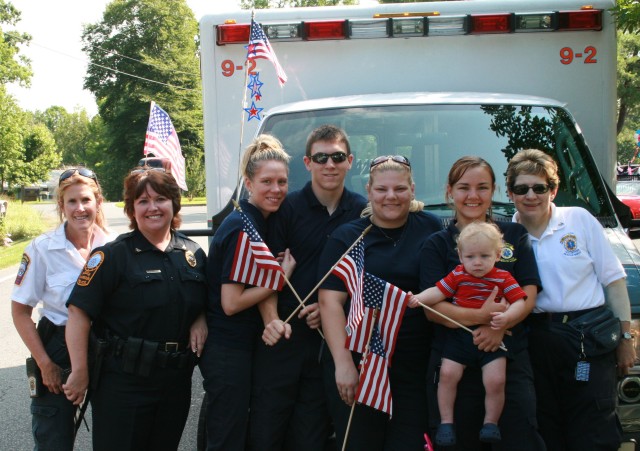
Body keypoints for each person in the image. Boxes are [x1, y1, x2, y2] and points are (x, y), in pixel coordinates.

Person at [63, 167, 207, 451]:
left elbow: (204, 299)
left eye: (161, 199)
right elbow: (78, 313)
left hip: (175, 383)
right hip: (125, 384)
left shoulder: (193, 254)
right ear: (131, 209)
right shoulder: (113, 256)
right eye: (143, 201)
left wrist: (200, 318)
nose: (153, 207)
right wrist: (80, 371)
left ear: (174, 203)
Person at [506, 148, 635, 450]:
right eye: (521, 188)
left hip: (587, 338)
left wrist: (626, 337)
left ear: (554, 189)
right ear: (510, 192)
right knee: (545, 427)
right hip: (534, 339)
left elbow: (614, 282)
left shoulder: (579, 220)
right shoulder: (505, 235)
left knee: (594, 430)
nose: (531, 195)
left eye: (540, 188)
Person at [248, 124, 367, 450]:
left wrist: (333, 309)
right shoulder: (286, 209)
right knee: (268, 429)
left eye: (337, 157)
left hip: (335, 340)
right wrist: (271, 318)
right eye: (321, 157)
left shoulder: (363, 211)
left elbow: (367, 275)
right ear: (307, 163)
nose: (330, 164)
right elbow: (266, 272)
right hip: (286, 335)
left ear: (350, 161)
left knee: (311, 435)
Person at [420, 156, 545, 450]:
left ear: (494, 191)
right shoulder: (437, 243)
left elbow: (528, 293)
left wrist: (500, 326)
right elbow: (431, 309)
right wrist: (481, 317)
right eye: (463, 187)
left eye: (482, 187)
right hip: (453, 363)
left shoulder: (513, 236)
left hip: (508, 361)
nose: (473, 196)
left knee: (518, 440)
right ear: (449, 191)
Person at [319, 155, 443, 450]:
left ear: (412, 190)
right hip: (362, 361)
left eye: (400, 189)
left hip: (415, 363)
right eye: (382, 189)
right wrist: (343, 364)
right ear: (369, 190)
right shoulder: (348, 237)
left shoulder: (430, 227)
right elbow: (330, 302)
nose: (391, 197)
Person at [199, 135, 294, 451]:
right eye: (266, 181)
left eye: (282, 181)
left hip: (243, 347)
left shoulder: (261, 220)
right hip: (227, 349)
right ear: (248, 183)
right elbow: (231, 302)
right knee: (227, 436)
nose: (276, 189)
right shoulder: (243, 227)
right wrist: (279, 278)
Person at [11, 167, 112, 450]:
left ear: (98, 202)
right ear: (61, 205)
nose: (80, 208)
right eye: (72, 202)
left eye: (86, 200)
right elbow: (20, 312)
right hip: (58, 346)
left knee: (116, 434)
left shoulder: (114, 245)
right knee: (53, 438)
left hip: (108, 345)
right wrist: (45, 364)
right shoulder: (41, 249)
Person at [410, 221, 527, 446]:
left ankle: (490, 423)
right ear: (460, 256)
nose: (477, 262)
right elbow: (437, 291)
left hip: (494, 335)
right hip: (459, 335)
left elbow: (520, 301)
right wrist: (417, 299)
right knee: (447, 375)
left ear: (498, 255)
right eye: (471, 257)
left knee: (495, 380)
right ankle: (446, 422)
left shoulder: (503, 278)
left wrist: (508, 319)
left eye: (485, 256)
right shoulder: (458, 274)